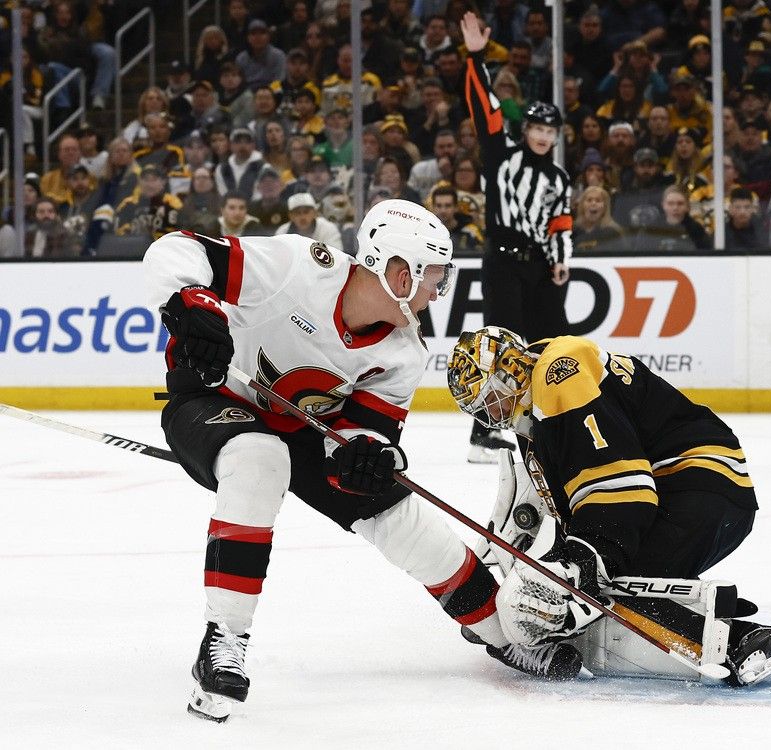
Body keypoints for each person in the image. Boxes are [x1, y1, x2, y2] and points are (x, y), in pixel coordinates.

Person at [144, 200, 515, 721]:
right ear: (397, 270)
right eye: (433, 275)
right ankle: (222, 642)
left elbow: (366, 433)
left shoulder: (405, 352)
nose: (438, 290)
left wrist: (365, 455)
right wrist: (191, 306)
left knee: (398, 517)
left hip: (304, 432)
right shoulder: (298, 268)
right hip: (213, 399)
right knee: (260, 455)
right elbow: (174, 249)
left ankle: (505, 629)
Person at [446, 326, 771, 684]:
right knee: (598, 578)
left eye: (491, 398)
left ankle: (739, 642)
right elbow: (557, 510)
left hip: (700, 482)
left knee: (606, 584)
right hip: (688, 490)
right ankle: (711, 621)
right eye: (479, 410)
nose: (490, 417)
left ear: (511, 375)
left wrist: (588, 559)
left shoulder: (559, 372)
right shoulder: (541, 419)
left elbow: (620, 488)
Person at [461, 11, 572, 463]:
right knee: (504, 345)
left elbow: (560, 222)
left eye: (551, 130)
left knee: (556, 343)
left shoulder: (560, 177)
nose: (544, 137)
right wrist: (475, 56)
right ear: (524, 130)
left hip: (539, 266)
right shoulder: (502, 156)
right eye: (538, 129)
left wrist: (562, 259)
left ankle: (554, 422)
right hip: (503, 261)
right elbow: (483, 106)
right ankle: (483, 433)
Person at [275, 191, 343, 248]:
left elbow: (336, 257)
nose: (302, 217)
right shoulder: (282, 233)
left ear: (315, 213)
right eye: (297, 213)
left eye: (306, 212)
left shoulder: (328, 228)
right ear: (290, 216)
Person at [572, 186, 623, 254]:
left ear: (605, 207)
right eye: (589, 200)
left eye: (598, 200)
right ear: (582, 206)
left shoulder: (613, 233)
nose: (593, 203)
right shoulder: (572, 231)